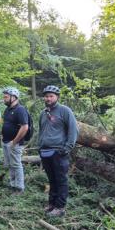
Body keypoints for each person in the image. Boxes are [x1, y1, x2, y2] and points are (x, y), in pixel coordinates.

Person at [38, 85, 78, 217]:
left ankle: (60, 207)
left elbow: (73, 130)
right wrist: (40, 146)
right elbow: (41, 132)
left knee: (61, 180)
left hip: (59, 152)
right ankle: (52, 204)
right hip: (45, 151)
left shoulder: (64, 111)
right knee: (52, 179)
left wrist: (67, 148)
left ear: (57, 97)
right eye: (46, 96)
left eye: (51, 96)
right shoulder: (43, 113)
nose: (48, 98)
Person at [1, 87, 30, 194]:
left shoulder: (20, 110)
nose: (4, 99)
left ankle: (19, 188)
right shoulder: (8, 109)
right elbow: (6, 124)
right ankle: (12, 185)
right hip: (5, 141)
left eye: (6, 97)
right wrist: (2, 136)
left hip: (14, 143)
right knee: (10, 164)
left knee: (16, 164)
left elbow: (25, 127)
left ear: (14, 97)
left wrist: (14, 141)